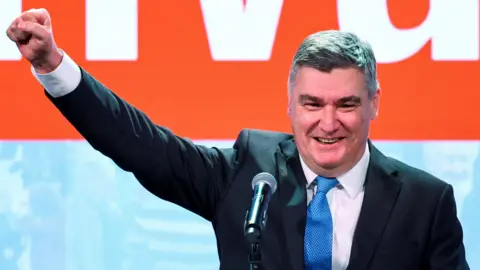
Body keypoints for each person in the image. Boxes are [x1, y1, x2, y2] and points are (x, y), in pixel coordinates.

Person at [5, 8, 469, 270]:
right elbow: (141, 146)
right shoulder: (252, 174)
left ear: (373, 104)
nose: (328, 123)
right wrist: (53, 68)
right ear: (289, 105)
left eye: (346, 105)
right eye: (312, 104)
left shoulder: (425, 203)